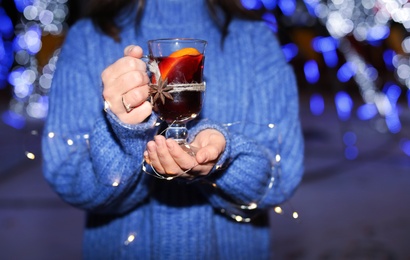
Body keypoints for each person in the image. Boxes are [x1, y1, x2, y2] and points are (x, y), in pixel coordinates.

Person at [42, 0, 304, 259]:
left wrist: (225, 160)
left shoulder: (256, 39)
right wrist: (122, 138)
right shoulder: (88, 37)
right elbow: (67, 174)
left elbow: (281, 176)